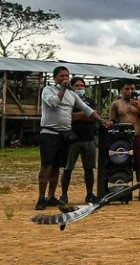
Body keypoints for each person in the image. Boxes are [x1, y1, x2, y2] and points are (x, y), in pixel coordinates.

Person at [36, 66, 106, 210]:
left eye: (67, 76)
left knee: (56, 167)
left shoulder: (72, 95)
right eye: (61, 76)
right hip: (50, 133)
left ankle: (51, 197)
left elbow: (87, 110)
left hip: (65, 135)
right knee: (46, 166)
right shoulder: (48, 90)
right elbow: (53, 103)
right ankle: (41, 198)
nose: (65, 78)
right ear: (55, 78)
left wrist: (101, 121)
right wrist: (62, 89)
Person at [107, 81, 140, 201]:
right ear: (121, 90)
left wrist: (138, 106)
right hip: (121, 139)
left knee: (139, 165)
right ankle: (120, 190)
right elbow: (111, 120)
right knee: (120, 165)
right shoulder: (116, 104)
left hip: (135, 137)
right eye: (127, 89)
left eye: (132, 89)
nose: (130, 91)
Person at [58, 77, 100, 204]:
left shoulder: (90, 101)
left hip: (89, 140)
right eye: (77, 86)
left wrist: (80, 115)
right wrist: (86, 113)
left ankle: (89, 194)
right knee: (68, 168)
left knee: (89, 168)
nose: (80, 88)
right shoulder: (68, 100)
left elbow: (94, 117)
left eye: (82, 86)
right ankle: (64, 195)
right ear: (72, 87)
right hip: (72, 140)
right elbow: (69, 117)